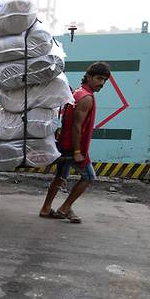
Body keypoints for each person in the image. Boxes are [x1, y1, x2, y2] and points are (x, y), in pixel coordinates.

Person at [39, 62, 111, 224]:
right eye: (99, 78)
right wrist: (78, 151)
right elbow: (76, 127)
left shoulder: (76, 93)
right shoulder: (86, 98)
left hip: (64, 144)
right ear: (89, 77)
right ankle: (65, 208)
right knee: (89, 177)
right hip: (73, 147)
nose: (101, 83)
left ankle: (46, 208)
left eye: (104, 80)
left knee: (60, 177)